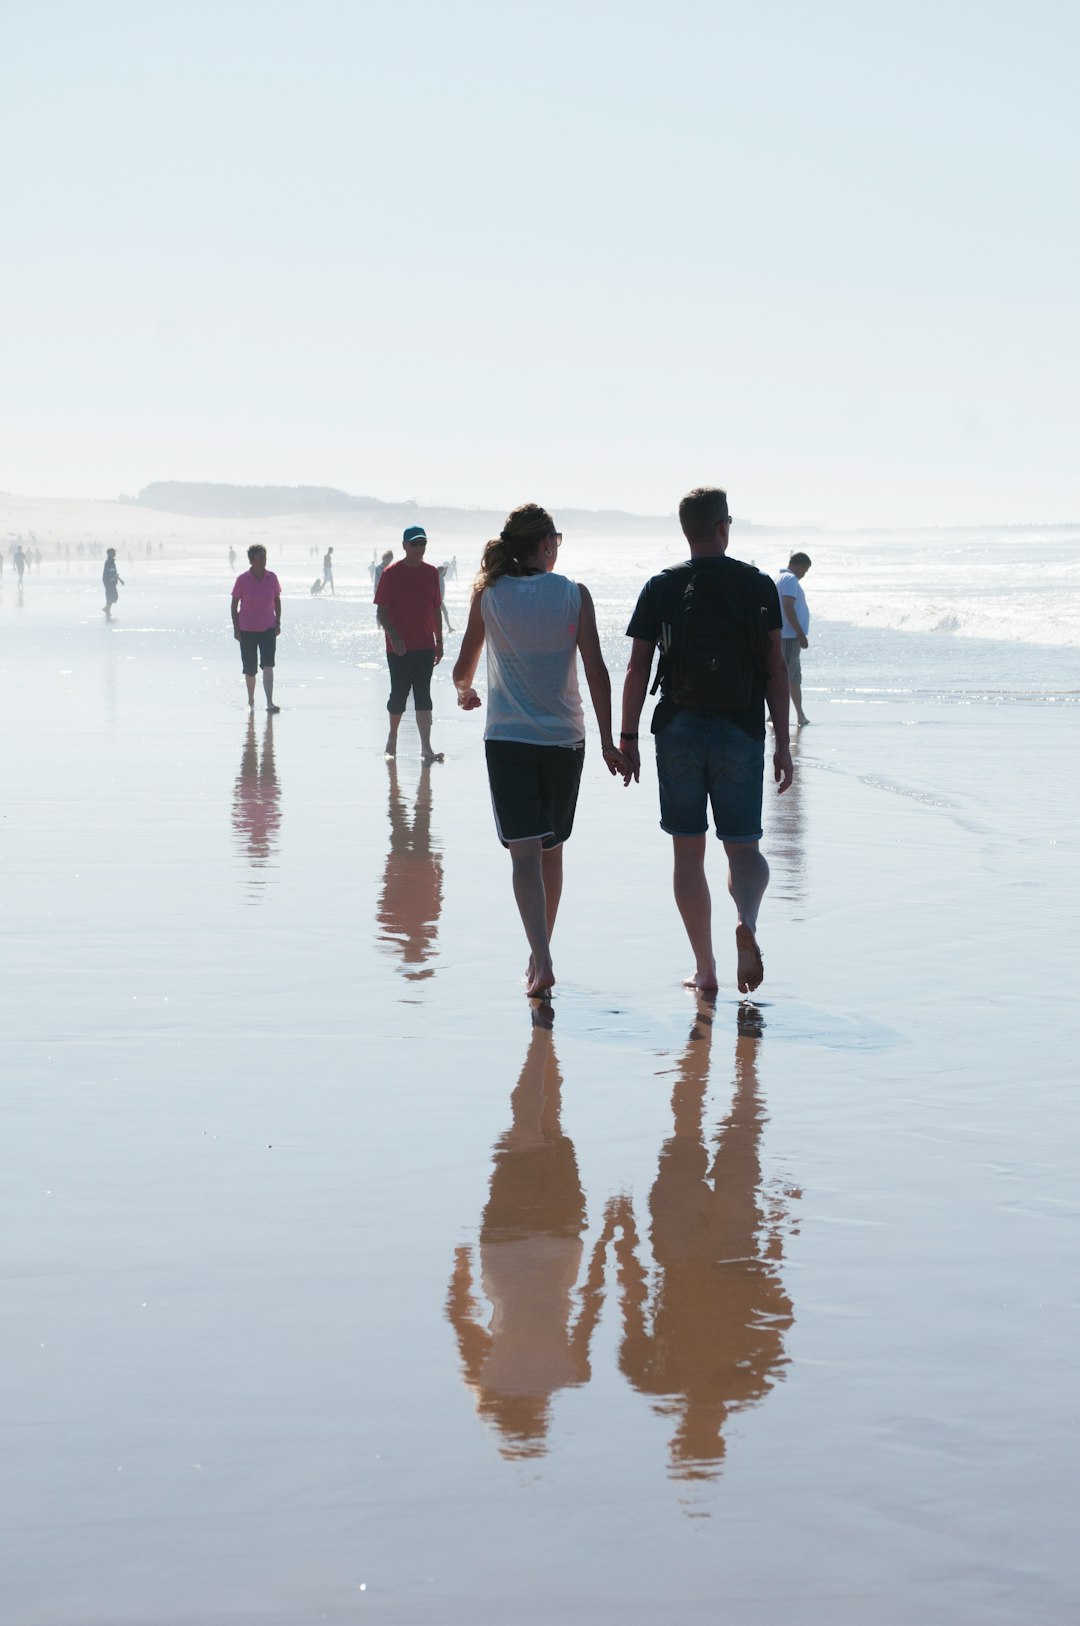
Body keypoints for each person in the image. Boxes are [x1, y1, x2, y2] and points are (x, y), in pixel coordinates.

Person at [619, 486, 793, 995]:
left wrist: (627, 738)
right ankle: (749, 921)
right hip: (740, 728)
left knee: (688, 854)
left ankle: (706, 970)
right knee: (744, 849)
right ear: (723, 527)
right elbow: (776, 669)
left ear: (686, 531)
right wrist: (782, 742)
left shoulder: (661, 587)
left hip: (678, 729)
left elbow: (637, 668)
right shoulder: (758, 585)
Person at [452, 503, 626, 997]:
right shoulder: (573, 595)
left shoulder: (490, 596)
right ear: (545, 544)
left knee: (524, 857)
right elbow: (595, 670)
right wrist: (610, 741)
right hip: (564, 741)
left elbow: (464, 667)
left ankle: (542, 958)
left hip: (508, 740)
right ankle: (540, 954)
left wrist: (464, 693)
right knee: (551, 850)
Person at [374, 525, 444, 762]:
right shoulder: (391, 574)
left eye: (423, 543)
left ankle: (426, 748)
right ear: (404, 546)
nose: (419, 548)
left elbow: (436, 610)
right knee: (399, 695)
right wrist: (393, 635)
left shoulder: (431, 573)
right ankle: (392, 737)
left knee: (424, 695)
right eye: (414, 544)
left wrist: (439, 640)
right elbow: (381, 612)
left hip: (424, 644)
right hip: (399, 647)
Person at [230, 544, 282, 713]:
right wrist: (236, 629)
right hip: (247, 629)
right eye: (259, 558)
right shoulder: (242, 580)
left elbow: (277, 600)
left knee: (268, 664)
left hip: (268, 628)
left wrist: (278, 623)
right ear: (251, 560)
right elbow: (234, 604)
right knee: (250, 668)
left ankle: (269, 702)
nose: (263, 561)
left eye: (264, 557)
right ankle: (251, 701)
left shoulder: (272, 578)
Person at [776, 552, 812, 726]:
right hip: (789, 637)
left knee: (790, 676)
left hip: (784, 636)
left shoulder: (780, 578)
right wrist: (799, 633)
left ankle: (798, 714)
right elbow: (788, 606)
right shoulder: (790, 579)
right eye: (805, 569)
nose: (805, 574)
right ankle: (796, 716)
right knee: (790, 677)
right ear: (799, 565)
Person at [102, 548, 124, 618]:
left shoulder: (112, 562)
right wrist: (112, 578)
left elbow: (115, 573)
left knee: (114, 596)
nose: (114, 553)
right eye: (113, 552)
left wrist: (120, 580)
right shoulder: (108, 562)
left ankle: (107, 608)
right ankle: (107, 609)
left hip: (112, 581)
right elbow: (109, 572)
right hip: (108, 581)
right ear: (109, 554)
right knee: (111, 595)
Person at [436, 562, 454, 632]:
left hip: (440, 599)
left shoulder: (440, 576)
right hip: (438, 599)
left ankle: (448, 627)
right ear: (440, 571)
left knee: (442, 613)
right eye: (442, 571)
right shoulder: (438, 577)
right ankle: (446, 628)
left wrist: (445, 570)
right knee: (443, 613)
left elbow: (443, 574)